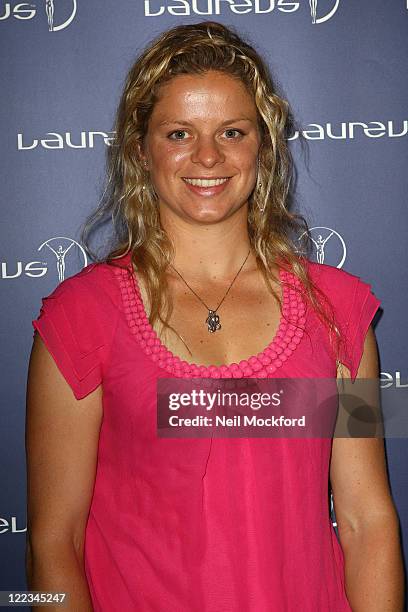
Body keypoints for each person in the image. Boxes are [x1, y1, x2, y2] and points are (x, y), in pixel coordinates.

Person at [25, 21, 404, 612]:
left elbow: (366, 520)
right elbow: (54, 542)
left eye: (232, 131)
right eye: (179, 132)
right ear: (139, 148)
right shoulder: (82, 319)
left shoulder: (337, 312)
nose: (208, 156)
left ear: (263, 145)